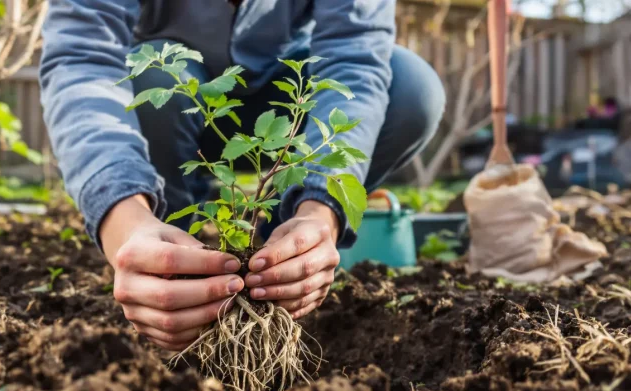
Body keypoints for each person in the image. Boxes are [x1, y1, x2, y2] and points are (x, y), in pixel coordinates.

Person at [39, 0, 445, 351]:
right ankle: (170, 267)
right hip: (172, 104)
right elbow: (83, 57)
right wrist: (124, 223)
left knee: (410, 90)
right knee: (155, 78)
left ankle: (275, 272)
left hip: (286, 97)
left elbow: (355, 59)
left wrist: (319, 213)